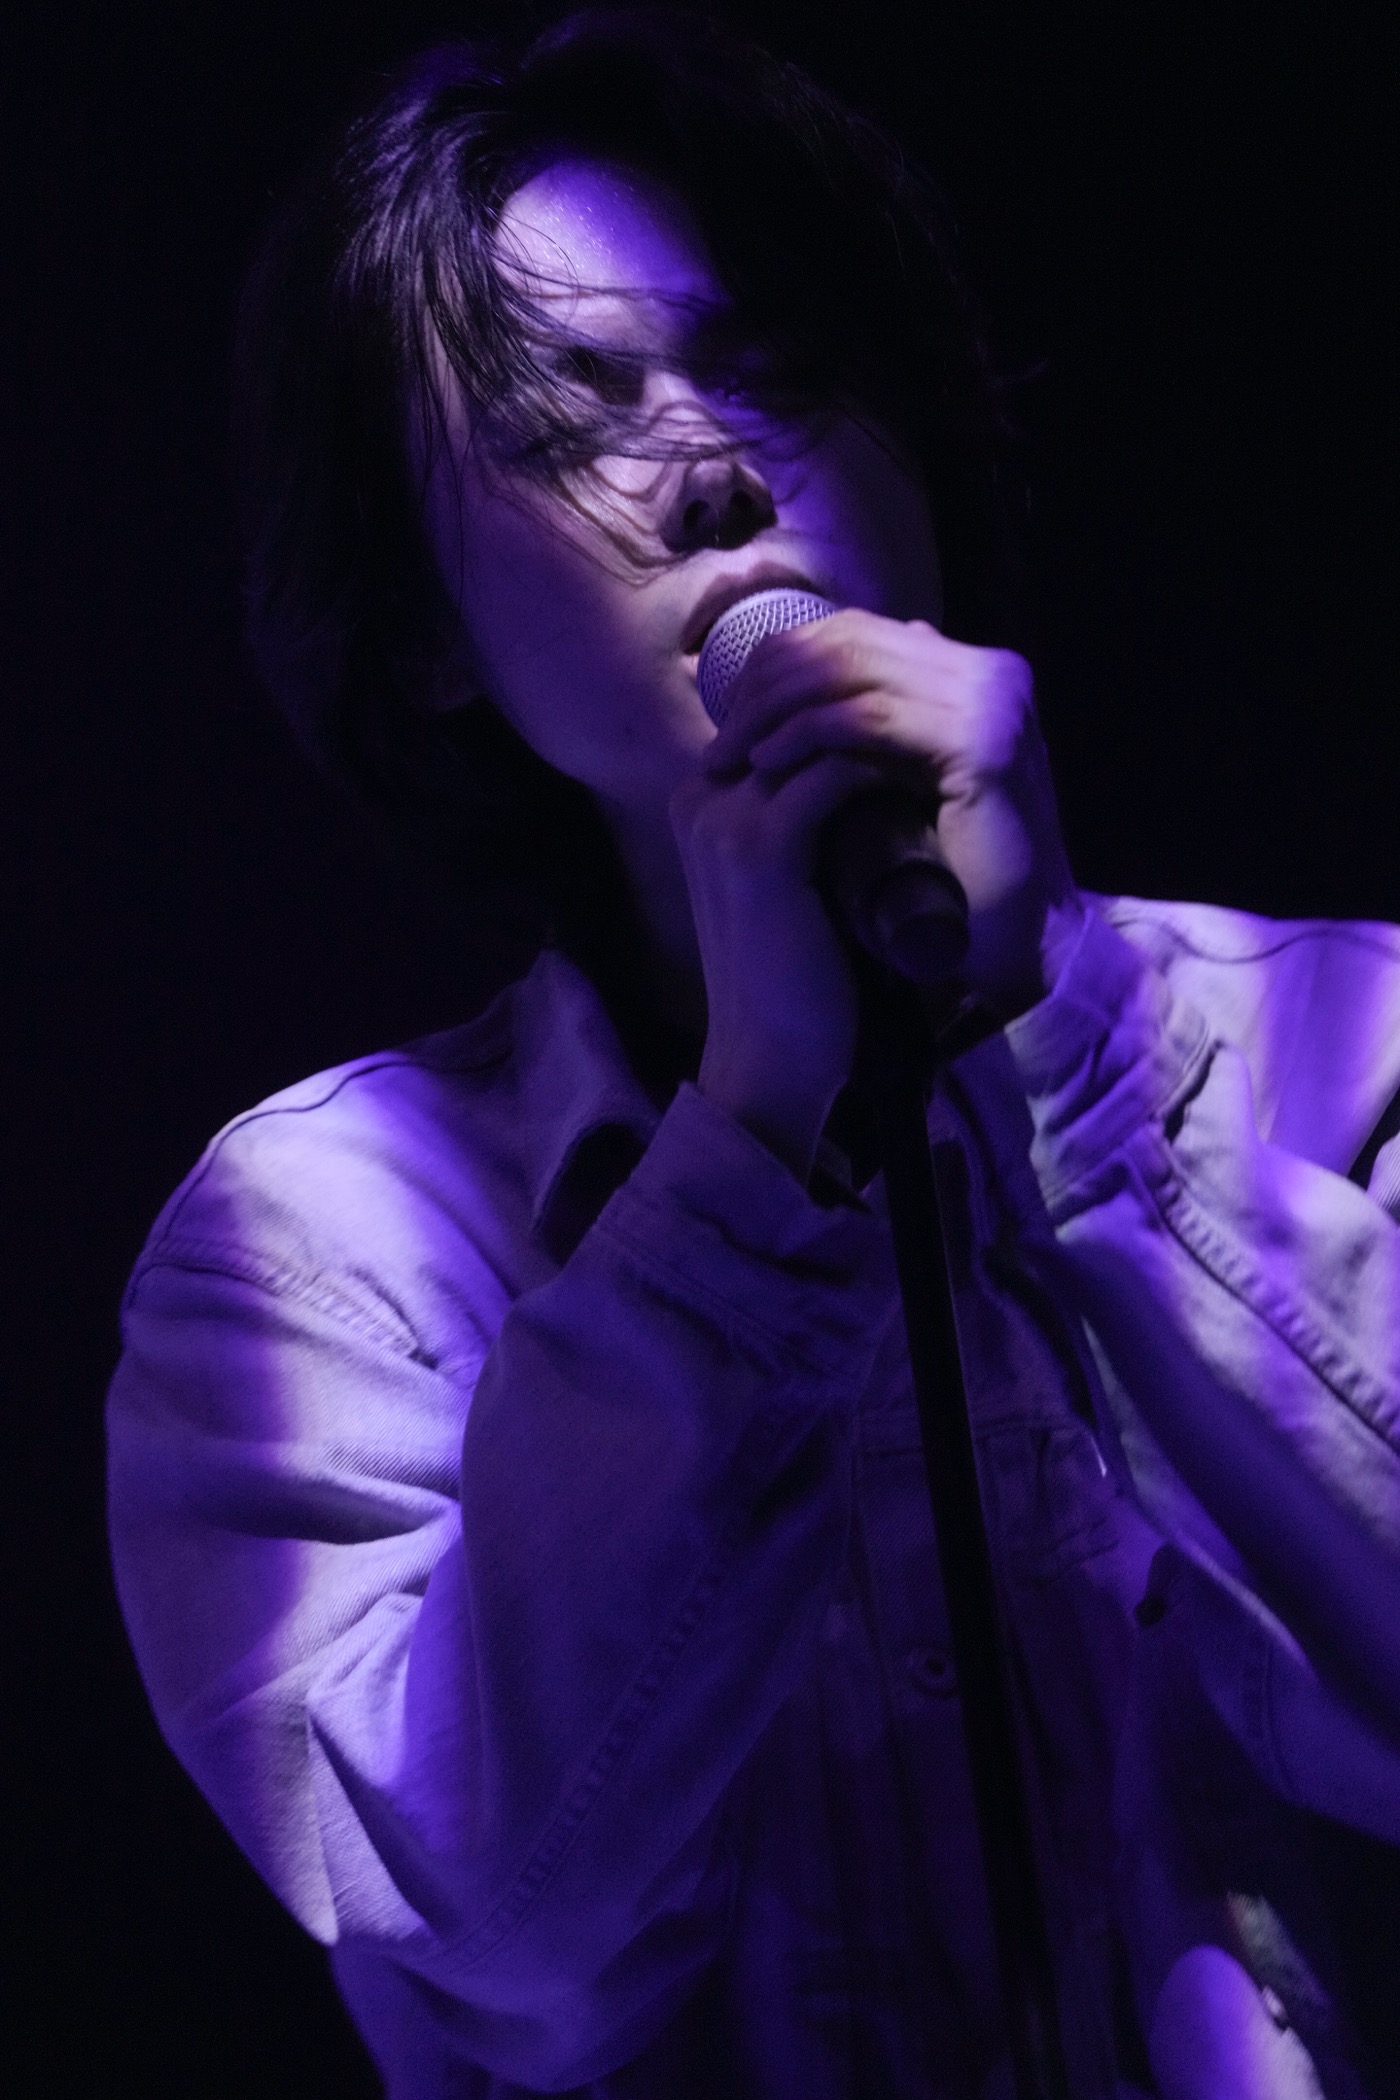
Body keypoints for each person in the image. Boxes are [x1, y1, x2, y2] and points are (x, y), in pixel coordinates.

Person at [106, 11, 1400, 2096]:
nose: (712, 463)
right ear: (423, 634)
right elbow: (506, 1950)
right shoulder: (317, 1256)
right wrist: (753, 1147)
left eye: (777, 365)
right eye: (569, 421)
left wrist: (1062, 1062)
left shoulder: (1350, 1043)